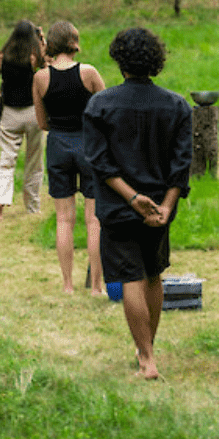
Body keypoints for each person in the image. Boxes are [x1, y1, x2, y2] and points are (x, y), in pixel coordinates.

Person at [82, 27, 192, 380]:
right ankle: (148, 349)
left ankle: (146, 358)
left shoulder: (100, 104)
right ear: (155, 61)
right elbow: (182, 163)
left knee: (130, 279)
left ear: (119, 60)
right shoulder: (176, 105)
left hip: (119, 206)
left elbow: (99, 162)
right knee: (153, 276)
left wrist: (131, 198)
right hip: (160, 209)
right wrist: (165, 206)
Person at [33, 21, 107, 294]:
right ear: (74, 42)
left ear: (51, 44)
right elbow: (106, 110)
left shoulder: (40, 78)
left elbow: (42, 122)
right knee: (94, 219)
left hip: (58, 145)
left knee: (64, 219)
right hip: (89, 144)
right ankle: (96, 286)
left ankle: (67, 285)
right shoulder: (89, 73)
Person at [0, 20, 46, 221]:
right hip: (32, 112)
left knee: (6, 160)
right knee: (34, 162)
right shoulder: (33, 56)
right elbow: (46, 66)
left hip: (9, 113)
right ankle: (32, 207)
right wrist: (42, 40)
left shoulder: (2, 56)